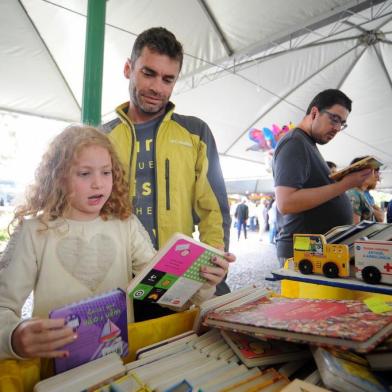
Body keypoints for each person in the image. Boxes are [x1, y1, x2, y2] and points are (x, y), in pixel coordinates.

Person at [0, 125, 233, 360]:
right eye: (84, 173)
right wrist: (13, 337)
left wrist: (202, 281)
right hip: (54, 367)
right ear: (57, 176)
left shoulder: (126, 224)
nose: (98, 184)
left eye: (106, 172)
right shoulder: (33, 232)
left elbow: (163, 290)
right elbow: (3, 305)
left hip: (117, 361)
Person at [104, 27, 231, 302]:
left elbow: (214, 210)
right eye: (148, 73)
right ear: (128, 68)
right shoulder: (101, 139)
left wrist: (215, 261)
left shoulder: (196, 132)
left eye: (168, 79)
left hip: (179, 279)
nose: (157, 88)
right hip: (116, 281)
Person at [272, 89, 373, 266]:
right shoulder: (294, 143)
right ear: (314, 112)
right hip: (304, 252)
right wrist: (345, 185)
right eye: (334, 119)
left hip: (315, 249)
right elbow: (286, 203)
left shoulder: (307, 143)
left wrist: (340, 180)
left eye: (342, 123)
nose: (337, 128)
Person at [346, 156, 381, 223]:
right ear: (362, 173)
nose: (377, 176)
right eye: (374, 171)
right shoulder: (353, 194)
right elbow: (354, 228)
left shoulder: (359, 193)